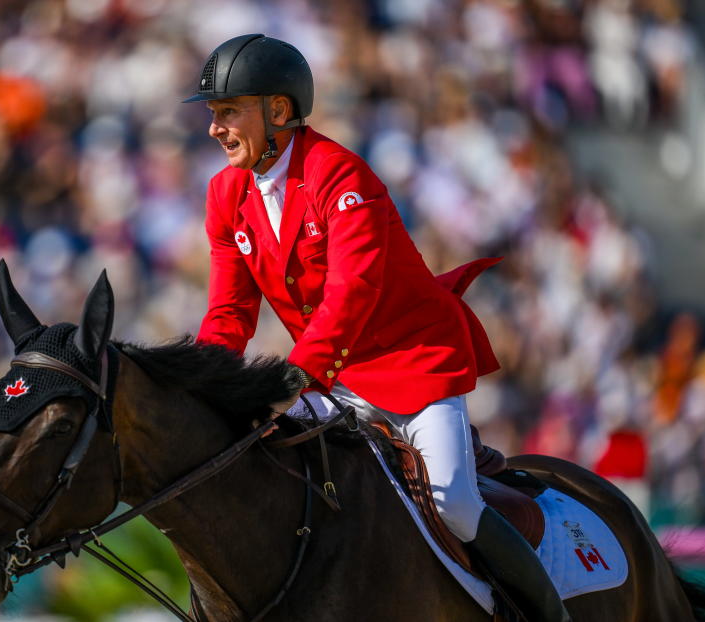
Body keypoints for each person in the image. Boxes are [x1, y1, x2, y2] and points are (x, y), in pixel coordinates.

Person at [183, 33, 571, 622]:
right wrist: (204, 386)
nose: (215, 128)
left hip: (412, 365)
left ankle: (544, 616)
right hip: (332, 377)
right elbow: (229, 314)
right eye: (213, 114)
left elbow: (351, 293)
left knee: (454, 504)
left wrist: (294, 376)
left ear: (278, 112)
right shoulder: (224, 194)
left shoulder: (340, 175)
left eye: (228, 112)